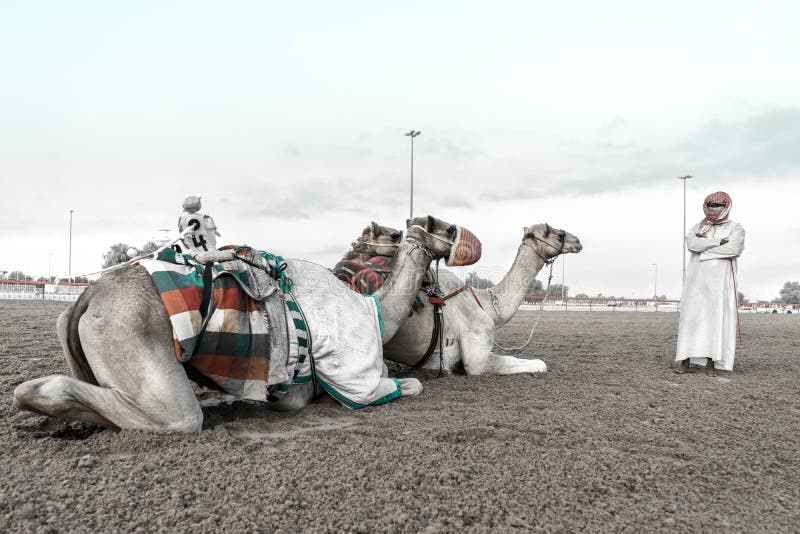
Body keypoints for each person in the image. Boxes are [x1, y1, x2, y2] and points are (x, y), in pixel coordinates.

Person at [675, 191, 744, 375]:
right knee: (690, 318)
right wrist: (718, 242)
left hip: (719, 283)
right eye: (710, 205)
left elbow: (734, 248)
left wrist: (704, 251)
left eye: (718, 206)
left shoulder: (736, 228)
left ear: (726, 206)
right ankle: (685, 360)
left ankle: (711, 363)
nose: (714, 209)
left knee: (716, 319)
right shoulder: (699, 227)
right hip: (695, 281)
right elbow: (692, 244)